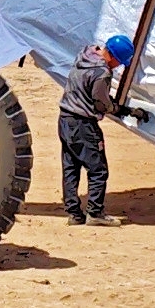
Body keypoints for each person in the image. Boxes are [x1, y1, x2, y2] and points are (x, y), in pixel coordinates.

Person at [59, 33, 134, 225]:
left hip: (65, 119)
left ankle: (74, 214)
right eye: (119, 62)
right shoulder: (102, 73)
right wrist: (123, 110)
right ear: (114, 57)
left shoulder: (84, 55)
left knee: (71, 168)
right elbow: (101, 104)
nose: (118, 66)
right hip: (83, 124)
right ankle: (95, 213)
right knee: (98, 170)